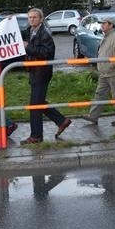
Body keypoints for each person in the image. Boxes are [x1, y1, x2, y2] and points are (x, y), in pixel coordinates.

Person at [20, 8, 71, 145]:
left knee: (35, 105)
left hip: (42, 73)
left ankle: (36, 136)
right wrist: (9, 23)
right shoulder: (30, 30)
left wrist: (28, 47)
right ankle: (61, 120)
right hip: (34, 71)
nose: (31, 20)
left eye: (35, 17)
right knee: (38, 103)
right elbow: (19, 33)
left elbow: (46, 53)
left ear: (41, 19)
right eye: (30, 17)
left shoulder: (45, 33)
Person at [82, 16, 115, 126]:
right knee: (99, 94)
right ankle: (93, 117)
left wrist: (112, 66)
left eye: (104, 23)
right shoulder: (106, 37)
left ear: (111, 25)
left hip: (112, 73)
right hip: (104, 73)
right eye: (101, 23)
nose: (102, 25)